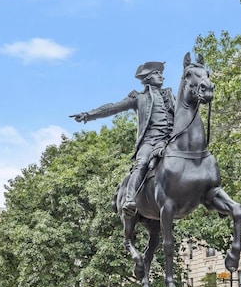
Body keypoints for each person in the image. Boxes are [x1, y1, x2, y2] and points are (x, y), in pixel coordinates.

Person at [71, 61, 176, 215]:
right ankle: (129, 198)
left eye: (161, 73)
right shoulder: (138, 97)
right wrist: (88, 115)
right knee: (141, 163)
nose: (161, 76)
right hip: (150, 141)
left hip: (170, 140)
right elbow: (112, 108)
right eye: (156, 73)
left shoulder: (170, 96)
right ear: (147, 78)